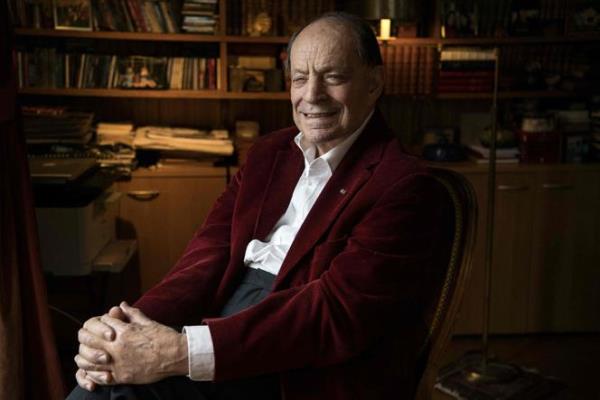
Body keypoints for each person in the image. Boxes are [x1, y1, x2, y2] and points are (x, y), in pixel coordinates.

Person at [67, 12, 453, 400]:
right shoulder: (269, 153)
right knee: (107, 377)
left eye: (333, 77)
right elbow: (207, 255)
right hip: (225, 317)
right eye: (300, 78)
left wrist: (180, 353)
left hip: (301, 361)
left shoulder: (404, 185)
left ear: (374, 83)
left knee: (115, 395)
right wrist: (123, 330)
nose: (312, 95)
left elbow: (332, 314)